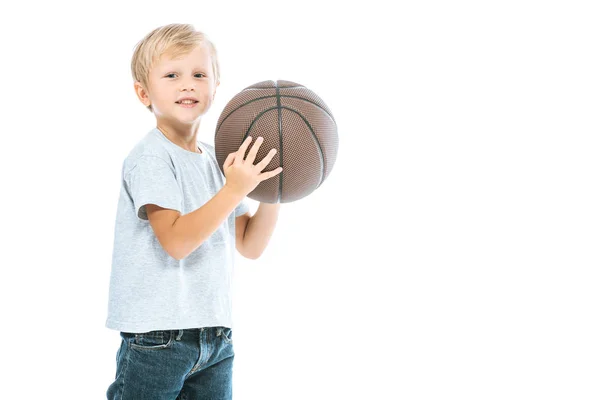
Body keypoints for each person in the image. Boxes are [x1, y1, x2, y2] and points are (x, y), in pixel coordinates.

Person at [105, 23, 283, 400]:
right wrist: (235, 188)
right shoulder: (151, 158)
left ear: (215, 87)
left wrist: (274, 189)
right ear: (143, 93)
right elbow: (176, 240)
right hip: (157, 339)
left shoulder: (218, 161)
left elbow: (249, 244)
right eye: (172, 75)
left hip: (216, 336)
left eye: (199, 75)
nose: (187, 85)